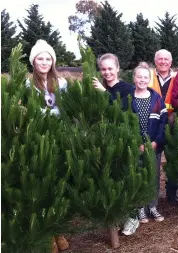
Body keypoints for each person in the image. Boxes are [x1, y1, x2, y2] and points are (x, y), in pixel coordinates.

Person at [27, 39, 69, 253]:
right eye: (40, 58)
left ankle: (58, 229)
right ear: (33, 61)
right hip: (37, 141)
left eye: (47, 58)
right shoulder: (26, 85)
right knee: (42, 185)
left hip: (58, 139)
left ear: (53, 61)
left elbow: (69, 112)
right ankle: (47, 234)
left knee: (58, 185)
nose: (44, 62)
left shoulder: (61, 84)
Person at [92, 53, 139, 236]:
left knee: (126, 176)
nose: (107, 72)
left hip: (123, 138)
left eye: (110, 68)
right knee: (111, 178)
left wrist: (105, 95)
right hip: (104, 141)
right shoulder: (98, 87)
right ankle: (118, 215)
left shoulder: (127, 88)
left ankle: (132, 217)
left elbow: (125, 112)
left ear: (118, 68)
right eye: (103, 69)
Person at [131, 64, 167, 224]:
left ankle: (152, 206)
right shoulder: (128, 98)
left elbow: (163, 122)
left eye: (146, 77)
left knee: (153, 175)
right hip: (136, 146)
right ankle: (140, 207)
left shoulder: (156, 99)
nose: (142, 80)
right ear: (134, 78)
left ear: (150, 80)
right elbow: (126, 124)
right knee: (138, 174)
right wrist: (136, 143)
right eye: (139, 77)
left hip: (153, 146)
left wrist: (156, 142)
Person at [148, 49, 178, 206]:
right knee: (153, 162)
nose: (163, 62)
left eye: (166, 59)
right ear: (155, 61)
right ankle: (151, 200)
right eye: (159, 59)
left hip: (173, 123)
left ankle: (172, 195)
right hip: (153, 125)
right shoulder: (148, 77)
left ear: (171, 62)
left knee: (174, 160)